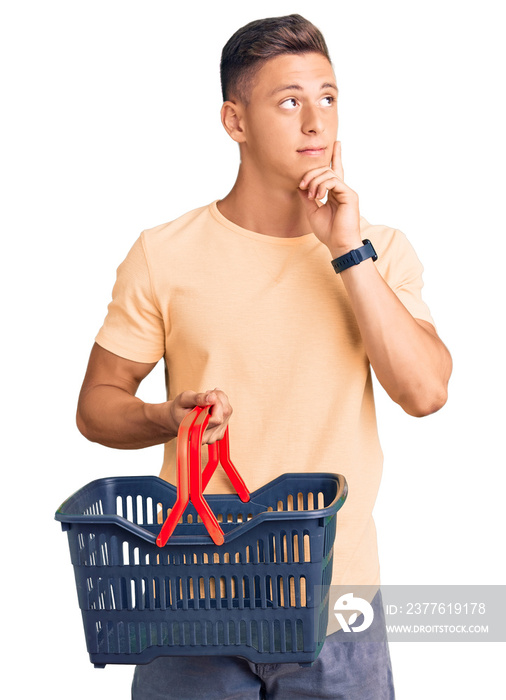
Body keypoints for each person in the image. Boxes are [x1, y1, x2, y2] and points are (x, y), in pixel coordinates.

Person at [76, 14, 452, 700]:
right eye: (289, 101)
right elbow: (96, 406)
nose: (317, 121)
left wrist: (345, 251)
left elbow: (425, 392)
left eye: (329, 97)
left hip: (339, 607)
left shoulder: (378, 249)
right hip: (193, 598)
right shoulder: (164, 253)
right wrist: (166, 415)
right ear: (235, 120)